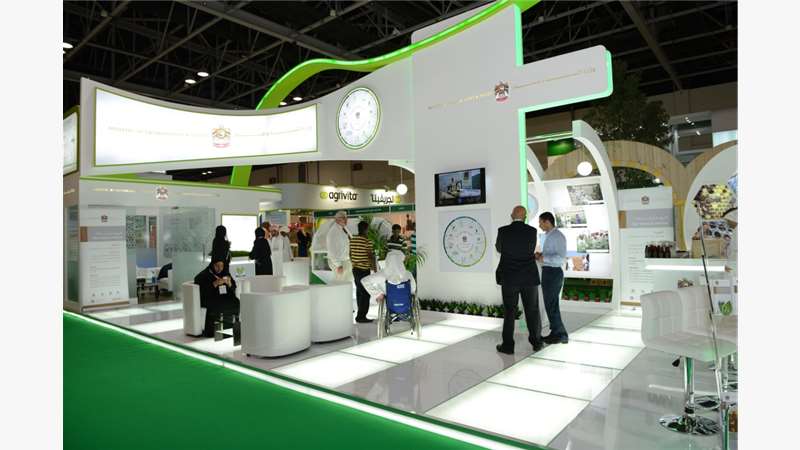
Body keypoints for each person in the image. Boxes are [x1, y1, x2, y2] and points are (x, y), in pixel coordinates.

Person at [495, 205, 542, 354]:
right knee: (532, 310)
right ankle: (536, 342)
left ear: (511, 216)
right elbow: (530, 249)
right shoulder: (532, 231)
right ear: (525, 217)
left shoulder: (503, 231)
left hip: (509, 278)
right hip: (529, 278)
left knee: (509, 311)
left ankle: (508, 346)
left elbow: (499, 248)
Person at [536, 211, 569, 344]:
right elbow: (550, 254)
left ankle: (560, 334)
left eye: (540, 222)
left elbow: (561, 258)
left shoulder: (558, 236)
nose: (539, 225)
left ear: (547, 221)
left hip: (553, 273)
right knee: (550, 305)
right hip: (548, 272)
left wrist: (543, 258)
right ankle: (557, 333)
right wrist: (541, 255)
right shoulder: (548, 236)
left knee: (551, 305)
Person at [193, 256, 240, 337]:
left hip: (224, 298)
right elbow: (201, 290)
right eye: (217, 266)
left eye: (221, 266)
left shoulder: (225, 273)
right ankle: (215, 332)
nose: (219, 268)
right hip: (210, 298)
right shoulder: (204, 275)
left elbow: (233, 288)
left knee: (235, 302)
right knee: (218, 305)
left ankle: (233, 329)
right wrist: (214, 284)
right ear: (212, 265)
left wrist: (230, 284)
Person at [350, 221, 377, 323]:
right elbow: (370, 256)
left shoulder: (352, 240)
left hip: (355, 269)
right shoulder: (367, 241)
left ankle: (359, 315)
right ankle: (361, 316)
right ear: (366, 229)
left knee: (359, 292)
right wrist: (374, 268)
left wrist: (354, 262)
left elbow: (350, 254)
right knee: (365, 293)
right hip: (364, 270)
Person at [326, 210, 352, 282]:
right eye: (343, 218)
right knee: (341, 283)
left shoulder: (343, 228)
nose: (345, 220)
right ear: (337, 220)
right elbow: (331, 249)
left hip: (345, 260)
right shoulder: (333, 232)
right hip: (339, 262)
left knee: (347, 282)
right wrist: (338, 264)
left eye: (346, 218)